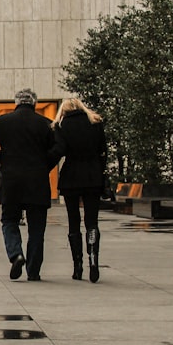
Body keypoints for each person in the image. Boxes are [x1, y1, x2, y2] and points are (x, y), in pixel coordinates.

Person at [0, 88, 54, 281]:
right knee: (37, 228)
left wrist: (1, 159)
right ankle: (34, 271)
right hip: (37, 181)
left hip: (11, 180)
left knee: (9, 220)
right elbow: (59, 147)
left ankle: (16, 254)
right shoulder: (45, 124)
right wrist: (45, 164)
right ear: (34, 103)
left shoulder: (3, 121)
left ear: (16, 103)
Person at [49, 97, 107, 282]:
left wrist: (44, 165)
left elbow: (60, 150)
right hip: (93, 177)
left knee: (73, 221)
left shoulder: (61, 125)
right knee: (92, 221)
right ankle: (93, 259)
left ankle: (78, 266)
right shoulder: (95, 122)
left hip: (71, 177)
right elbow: (103, 150)